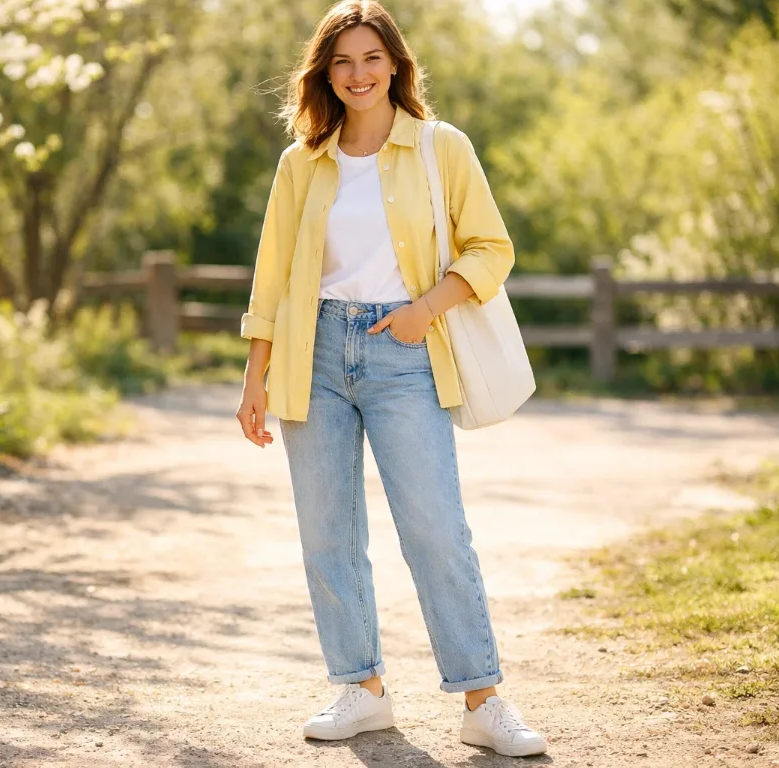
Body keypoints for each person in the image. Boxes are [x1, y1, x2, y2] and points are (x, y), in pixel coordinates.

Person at [234, 0, 547, 757]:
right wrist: (256, 374)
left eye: (372, 58)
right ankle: (360, 688)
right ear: (325, 74)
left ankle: (482, 699)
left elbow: (490, 249)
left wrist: (424, 310)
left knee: (437, 529)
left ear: (397, 65)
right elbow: (272, 276)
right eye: (342, 62)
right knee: (328, 534)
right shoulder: (300, 161)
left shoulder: (441, 148)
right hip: (314, 354)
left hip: (406, 351)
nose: (358, 73)